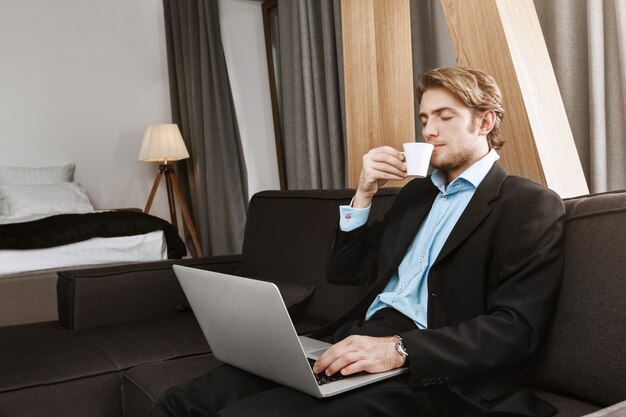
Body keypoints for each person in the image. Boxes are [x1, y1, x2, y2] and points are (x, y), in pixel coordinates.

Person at [152, 67, 565, 417]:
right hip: (356, 337)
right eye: (424, 119)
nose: (430, 130)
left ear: (486, 122)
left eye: (445, 117)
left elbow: (516, 330)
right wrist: (364, 193)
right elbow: (346, 271)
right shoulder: (415, 195)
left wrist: (401, 349)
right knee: (179, 402)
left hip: (430, 366)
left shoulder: (527, 205)